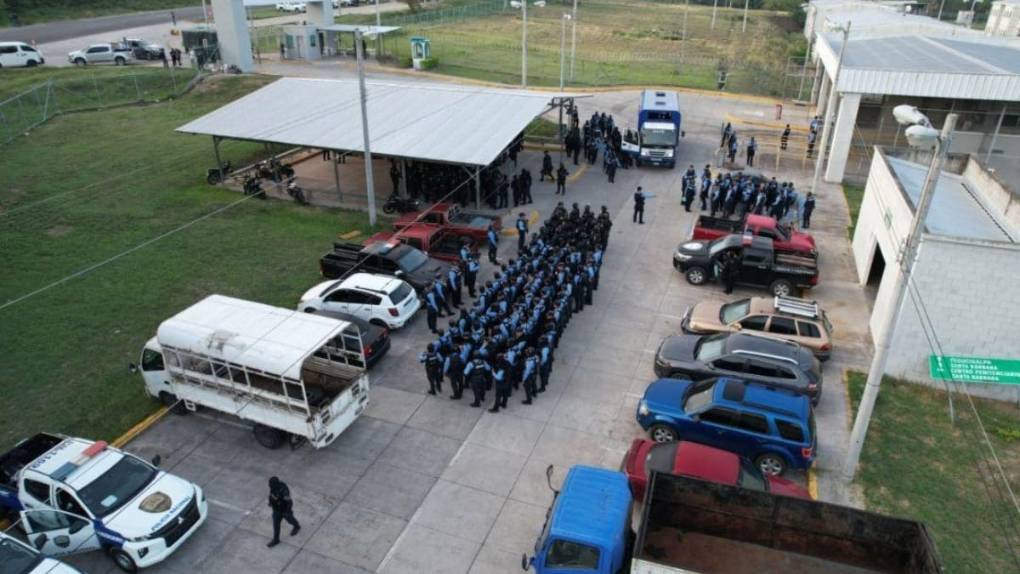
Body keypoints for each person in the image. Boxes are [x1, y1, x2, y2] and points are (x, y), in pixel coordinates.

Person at [266, 477, 300, 548]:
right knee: (276, 525)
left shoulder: (283, 490)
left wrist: (287, 511)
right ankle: (276, 539)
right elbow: (271, 495)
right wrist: (271, 502)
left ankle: (296, 526)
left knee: (290, 520)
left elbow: (289, 501)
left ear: (275, 484)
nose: (269, 485)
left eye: (271, 484)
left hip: (284, 510)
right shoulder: (273, 487)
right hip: (276, 510)